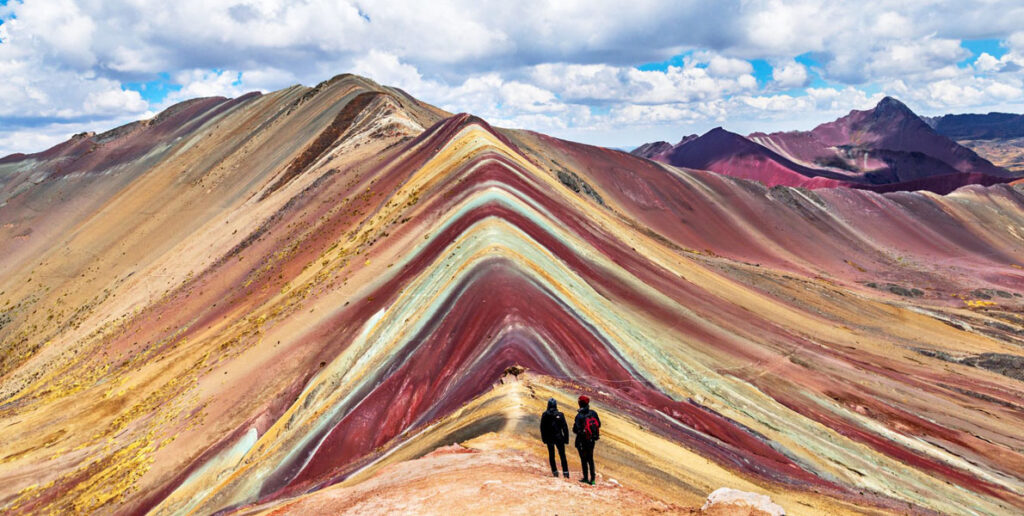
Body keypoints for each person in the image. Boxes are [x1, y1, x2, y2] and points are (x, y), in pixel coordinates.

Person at [572, 394, 601, 485]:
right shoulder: (593, 413)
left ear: (580, 404)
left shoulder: (579, 416)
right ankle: (592, 480)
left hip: (582, 441)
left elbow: (575, 429)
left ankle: (585, 478)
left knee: (584, 460)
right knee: (590, 459)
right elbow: (599, 424)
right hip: (592, 440)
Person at [539, 398, 570, 478]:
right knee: (562, 455)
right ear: (555, 405)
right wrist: (566, 439)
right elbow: (565, 428)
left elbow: (542, 428)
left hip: (549, 438)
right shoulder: (560, 414)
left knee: (551, 455)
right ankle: (566, 473)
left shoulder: (545, 414)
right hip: (559, 437)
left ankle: (555, 472)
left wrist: (544, 438)